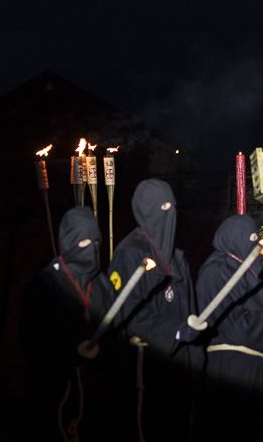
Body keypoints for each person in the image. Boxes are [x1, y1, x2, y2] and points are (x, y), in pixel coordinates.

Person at [192, 214, 263, 439]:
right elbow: (231, 322)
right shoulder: (216, 271)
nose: (254, 246)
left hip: (254, 367)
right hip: (230, 368)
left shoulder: (247, 275)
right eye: (249, 240)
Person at [107, 179, 196, 438]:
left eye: (173, 206)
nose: (169, 214)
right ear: (146, 210)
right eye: (162, 206)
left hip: (177, 370)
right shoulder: (130, 253)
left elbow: (189, 312)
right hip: (144, 369)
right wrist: (175, 332)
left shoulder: (177, 260)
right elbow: (127, 312)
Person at [22, 206, 114, 441]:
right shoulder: (45, 284)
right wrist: (70, 352)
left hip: (96, 394)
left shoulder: (102, 284)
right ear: (69, 241)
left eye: (96, 242)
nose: (91, 249)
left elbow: (114, 332)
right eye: (83, 242)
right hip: (56, 393)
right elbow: (32, 340)